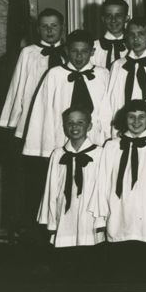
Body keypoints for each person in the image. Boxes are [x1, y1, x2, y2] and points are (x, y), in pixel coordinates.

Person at [94, 100, 146, 282]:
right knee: (120, 273)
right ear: (124, 119)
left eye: (141, 117)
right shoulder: (112, 146)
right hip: (119, 216)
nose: (136, 121)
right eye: (131, 117)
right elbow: (103, 181)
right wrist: (102, 215)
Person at [22, 30, 110, 164]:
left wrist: (108, 140)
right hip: (61, 138)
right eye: (74, 51)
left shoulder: (103, 74)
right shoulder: (55, 74)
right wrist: (47, 149)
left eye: (84, 51)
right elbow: (43, 111)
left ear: (92, 52)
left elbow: (108, 111)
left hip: (96, 138)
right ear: (67, 51)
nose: (79, 56)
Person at [37, 107, 104, 279]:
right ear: (64, 126)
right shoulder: (57, 154)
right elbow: (50, 189)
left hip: (89, 217)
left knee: (89, 266)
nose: (75, 127)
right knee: (65, 268)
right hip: (64, 217)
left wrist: (101, 220)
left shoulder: (100, 153)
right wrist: (50, 222)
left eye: (80, 122)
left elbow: (103, 189)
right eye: (70, 123)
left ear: (89, 126)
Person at [0, 7, 65, 138]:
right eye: (44, 26)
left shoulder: (70, 52)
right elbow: (18, 85)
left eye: (54, 25)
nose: (49, 30)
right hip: (34, 111)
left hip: (62, 109)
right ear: (38, 29)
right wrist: (13, 117)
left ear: (62, 27)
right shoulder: (28, 53)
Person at [93, 0, 130, 70]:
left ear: (126, 18)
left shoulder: (134, 46)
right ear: (103, 19)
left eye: (118, 15)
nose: (113, 20)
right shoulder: (94, 47)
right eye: (109, 16)